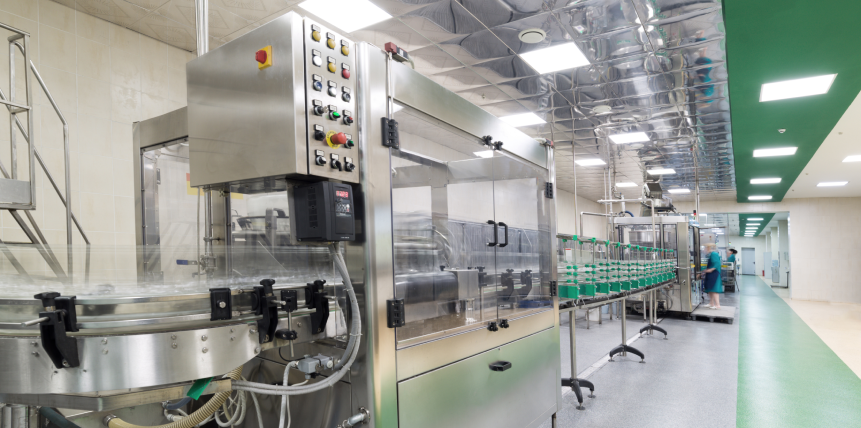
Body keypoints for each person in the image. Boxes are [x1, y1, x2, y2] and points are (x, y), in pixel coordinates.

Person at [700, 243, 722, 309]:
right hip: (711, 274)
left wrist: (710, 270)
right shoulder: (710, 255)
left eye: (705, 248)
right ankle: (711, 303)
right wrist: (705, 271)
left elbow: (717, 264)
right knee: (710, 289)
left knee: (714, 289)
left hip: (714, 274)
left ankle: (717, 305)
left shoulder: (714, 254)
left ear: (708, 248)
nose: (704, 249)